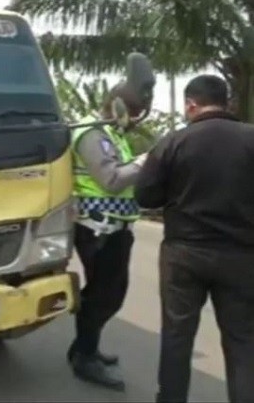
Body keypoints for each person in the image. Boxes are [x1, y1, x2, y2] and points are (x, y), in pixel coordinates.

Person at [134, 75, 254, 403]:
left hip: (184, 255)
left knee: (177, 336)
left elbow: (145, 196)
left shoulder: (173, 142)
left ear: (190, 104)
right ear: (227, 103)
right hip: (242, 257)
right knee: (243, 340)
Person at [67, 84, 151, 390]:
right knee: (103, 294)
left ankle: (84, 347)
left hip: (115, 228)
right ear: (117, 106)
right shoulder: (93, 134)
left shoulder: (111, 134)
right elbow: (112, 179)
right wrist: (146, 161)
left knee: (110, 293)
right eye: (135, 112)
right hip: (97, 229)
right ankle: (84, 357)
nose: (137, 119)